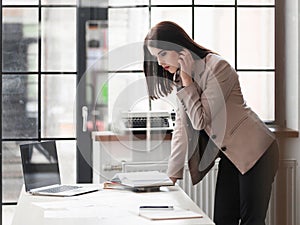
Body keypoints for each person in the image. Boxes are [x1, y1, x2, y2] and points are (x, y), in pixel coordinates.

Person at [143, 21, 279, 225]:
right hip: (231, 156)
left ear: (179, 47)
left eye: (162, 54)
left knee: (252, 221)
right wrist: (171, 176)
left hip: (258, 152)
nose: (159, 62)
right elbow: (182, 126)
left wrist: (188, 81)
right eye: (155, 57)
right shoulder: (181, 77)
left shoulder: (217, 67)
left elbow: (199, 121)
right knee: (223, 220)